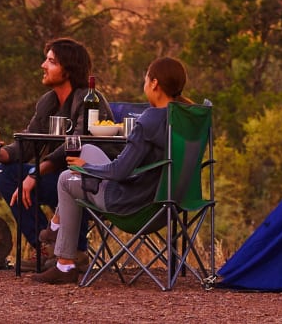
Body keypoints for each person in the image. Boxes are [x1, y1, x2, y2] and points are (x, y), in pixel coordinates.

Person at [32, 56, 194, 285]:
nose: (145, 84)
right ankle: (55, 226)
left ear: (155, 83)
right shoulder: (186, 118)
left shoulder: (149, 120)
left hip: (134, 205)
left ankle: (65, 263)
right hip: (171, 201)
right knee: (87, 147)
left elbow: (119, 171)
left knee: (67, 178)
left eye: (146, 79)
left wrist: (87, 169)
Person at [0, 37, 93, 268]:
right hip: (54, 179)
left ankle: (76, 250)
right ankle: (46, 246)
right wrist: (0, 154)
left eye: (51, 61)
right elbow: (27, 145)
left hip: (86, 181)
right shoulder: (48, 102)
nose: (43, 65)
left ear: (68, 70)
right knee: (3, 172)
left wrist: (35, 174)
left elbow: (78, 143)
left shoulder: (88, 100)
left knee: (65, 178)